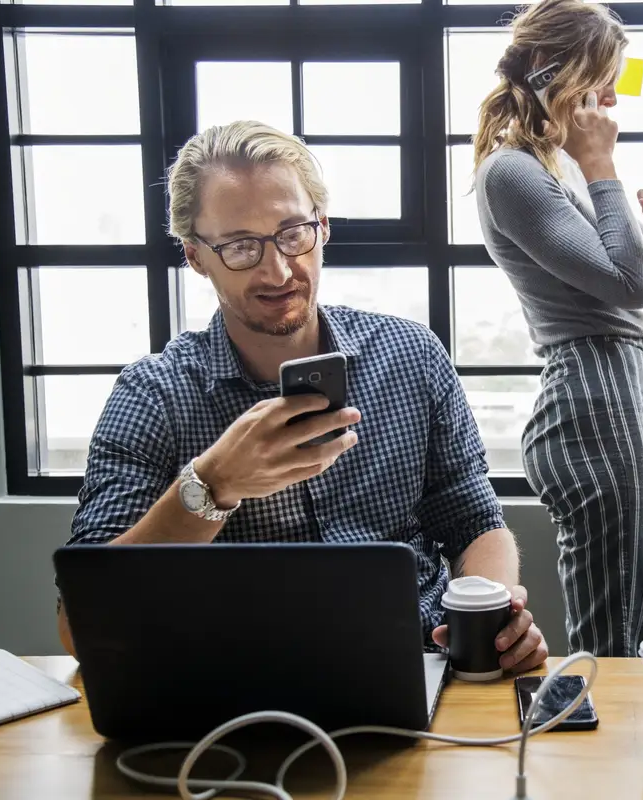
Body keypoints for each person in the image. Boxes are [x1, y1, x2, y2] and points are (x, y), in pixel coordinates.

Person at [56, 120, 547, 675]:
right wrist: (212, 485)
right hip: (230, 686)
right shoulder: (154, 394)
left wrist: (489, 618)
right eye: (241, 246)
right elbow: (83, 625)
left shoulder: (410, 355)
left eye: (294, 233)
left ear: (324, 227)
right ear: (195, 257)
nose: (279, 270)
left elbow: (474, 520)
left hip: (418, 662)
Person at [472, 0, 643, 658]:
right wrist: (605, 169)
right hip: (590, 401)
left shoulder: (558, 168)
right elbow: (632, 289)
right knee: (614, 632)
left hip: (613, 399)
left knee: (640, 611)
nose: (608, 101)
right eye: (601, 80)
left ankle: (639, 758)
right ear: (552, 70)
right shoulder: (513, 172)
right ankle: (600, 759)